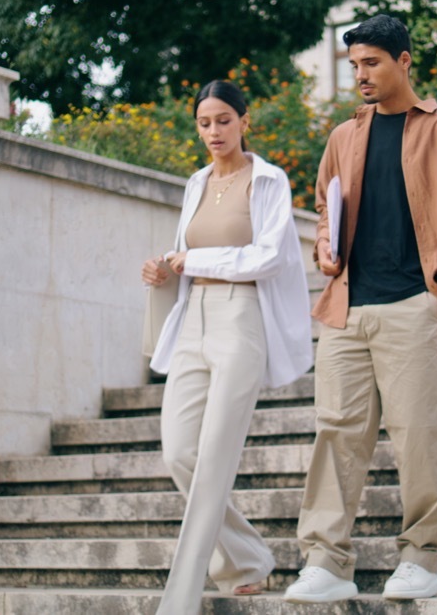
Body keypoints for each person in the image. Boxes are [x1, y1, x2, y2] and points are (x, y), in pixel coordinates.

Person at [285, 14, 437, 604]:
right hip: (347, 308)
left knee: (418, 435)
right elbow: (325, 209)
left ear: (403, 60)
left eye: (371, 62)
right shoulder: (343, 137)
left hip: (413, 303)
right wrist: (325, 249)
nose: (361, 75)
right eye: (354, 65)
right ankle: (326, 562)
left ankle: (420, 558)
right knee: (335, 435)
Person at [142, 79, 314, 615]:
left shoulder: (268, 180)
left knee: (215, 457)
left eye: (223, 120)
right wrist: (165, 267)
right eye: (204, 123)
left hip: (242, 320)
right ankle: (246, 558)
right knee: (179, 452)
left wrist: (194, 260)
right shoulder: (195, 183)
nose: (214, 131)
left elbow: (269, 256)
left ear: (244, 121)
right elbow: (186, 252)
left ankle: (180, 600)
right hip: (192, 318)